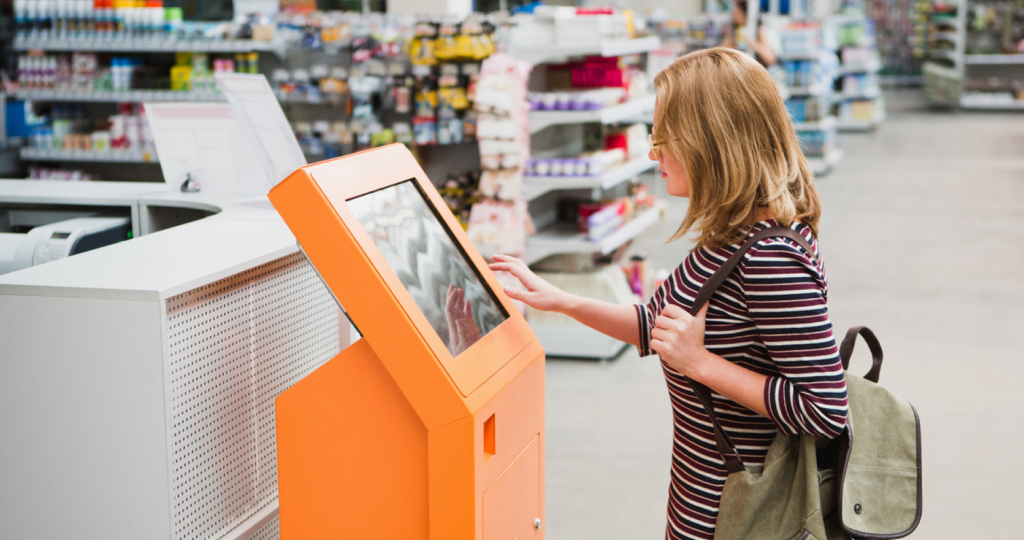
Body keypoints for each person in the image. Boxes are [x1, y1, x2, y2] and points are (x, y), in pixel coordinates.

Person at [489, 47, 849, 540]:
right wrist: (560, 299)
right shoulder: (734, 233)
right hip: (702, 501)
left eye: (663, 138)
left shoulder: (770, 260)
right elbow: (659, 327)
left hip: (742, 517)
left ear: (712, 142)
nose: (653, 153)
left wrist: (700, 364)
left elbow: (824, 408)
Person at [722, 0, 779, 67]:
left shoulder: (759, 30)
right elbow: (723, 50)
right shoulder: (735, 30)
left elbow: (770, 58)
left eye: (736, 10)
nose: (733, 13)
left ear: (744, 13)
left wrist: (753, 43)